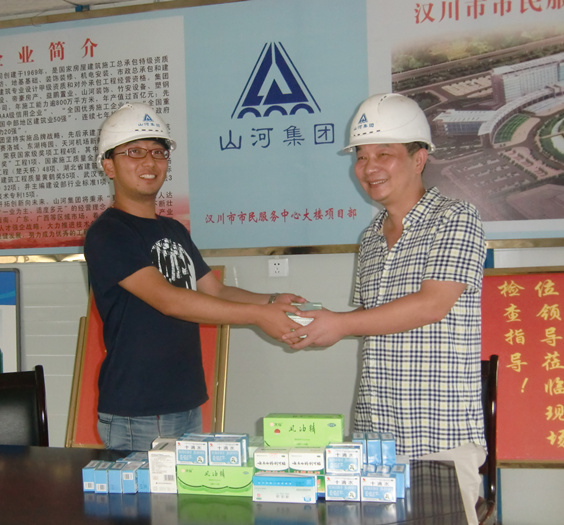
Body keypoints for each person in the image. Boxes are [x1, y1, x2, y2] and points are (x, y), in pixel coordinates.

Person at [283, 93, 486, 524]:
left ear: (419, 158)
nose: (369, 167)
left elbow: (432, 305)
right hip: (374, 439)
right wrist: (313, 323)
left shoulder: (456, 218)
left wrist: (340, 324)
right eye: (361, 156)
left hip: (439, 438)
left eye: (384, 154)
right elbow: (370, 321)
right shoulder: (371, 237)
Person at [84, 102, 304, 452]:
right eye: (134, 152)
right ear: (108, 165)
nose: (149, 162)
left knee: (185, 489)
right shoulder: (108, 233)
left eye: (158, 152)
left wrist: (272, 300)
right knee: (151, 492)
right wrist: (259, 315)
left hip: (185, 399)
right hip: (139, 409)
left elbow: (215, 290)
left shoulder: (173, 229)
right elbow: (168, 300)